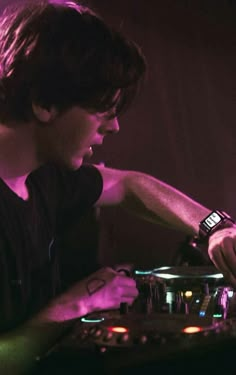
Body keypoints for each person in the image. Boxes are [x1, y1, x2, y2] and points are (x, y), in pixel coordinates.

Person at [0, 0, 236, 373]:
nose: (113, 127)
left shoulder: (46, 177)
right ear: (43, 103)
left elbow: (129, 185)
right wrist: (77, 304)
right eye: (102, 111)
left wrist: (215, 227)